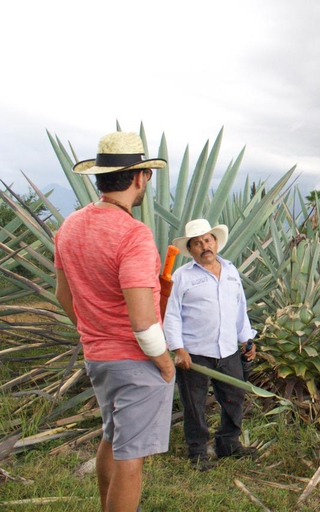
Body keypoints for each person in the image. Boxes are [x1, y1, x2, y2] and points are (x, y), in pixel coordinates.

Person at [55, 132, 175, 512]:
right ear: (140, 177)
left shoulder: (70, 226)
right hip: (136, 360)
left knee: (112, 437)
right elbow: (142, 320)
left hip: (98, 358)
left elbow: (63, 294)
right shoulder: (134, 235)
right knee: (131, 460)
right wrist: (165, 361)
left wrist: (94, 333)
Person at [163, 219, 257, 471]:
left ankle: (228, 444)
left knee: (234, 398)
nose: (204, 246)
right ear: (190, 249)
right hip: (195, 353)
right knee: (194, 404)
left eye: (208, 240)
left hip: (227, 351)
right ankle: (197, 453)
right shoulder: (182, 277)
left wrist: (247, 339)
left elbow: (240, 308)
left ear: (215, 242)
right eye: (197, 243)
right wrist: (178, 348)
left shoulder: (231, 271)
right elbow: (170, 314)